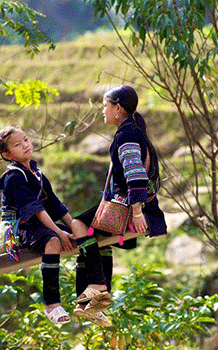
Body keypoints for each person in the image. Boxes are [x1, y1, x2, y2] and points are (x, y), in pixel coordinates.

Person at [71, 85, 167, 327]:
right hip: (130, 206)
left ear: (118, 108)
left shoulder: (127, 136)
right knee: (98, 240)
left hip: (125, 208)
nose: (103, 111)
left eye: (105, 106)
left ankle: (98, 285)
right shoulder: (133, 129)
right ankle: (93, 303)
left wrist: (136, 213)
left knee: (78, 224)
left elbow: (135, 175)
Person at [0, 126, 75, 325]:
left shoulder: (37, 173)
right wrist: (58, 232)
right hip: (20, 228)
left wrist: (74, 227)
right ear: (7, 154)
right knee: (53, 240)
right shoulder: (14, 177)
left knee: (84, 235)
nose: (25, 145)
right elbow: (36, 210)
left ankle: (88, 295)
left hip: (38, 224)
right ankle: (52, 304)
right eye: (17, 144)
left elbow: (55, 205)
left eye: (26, 140)